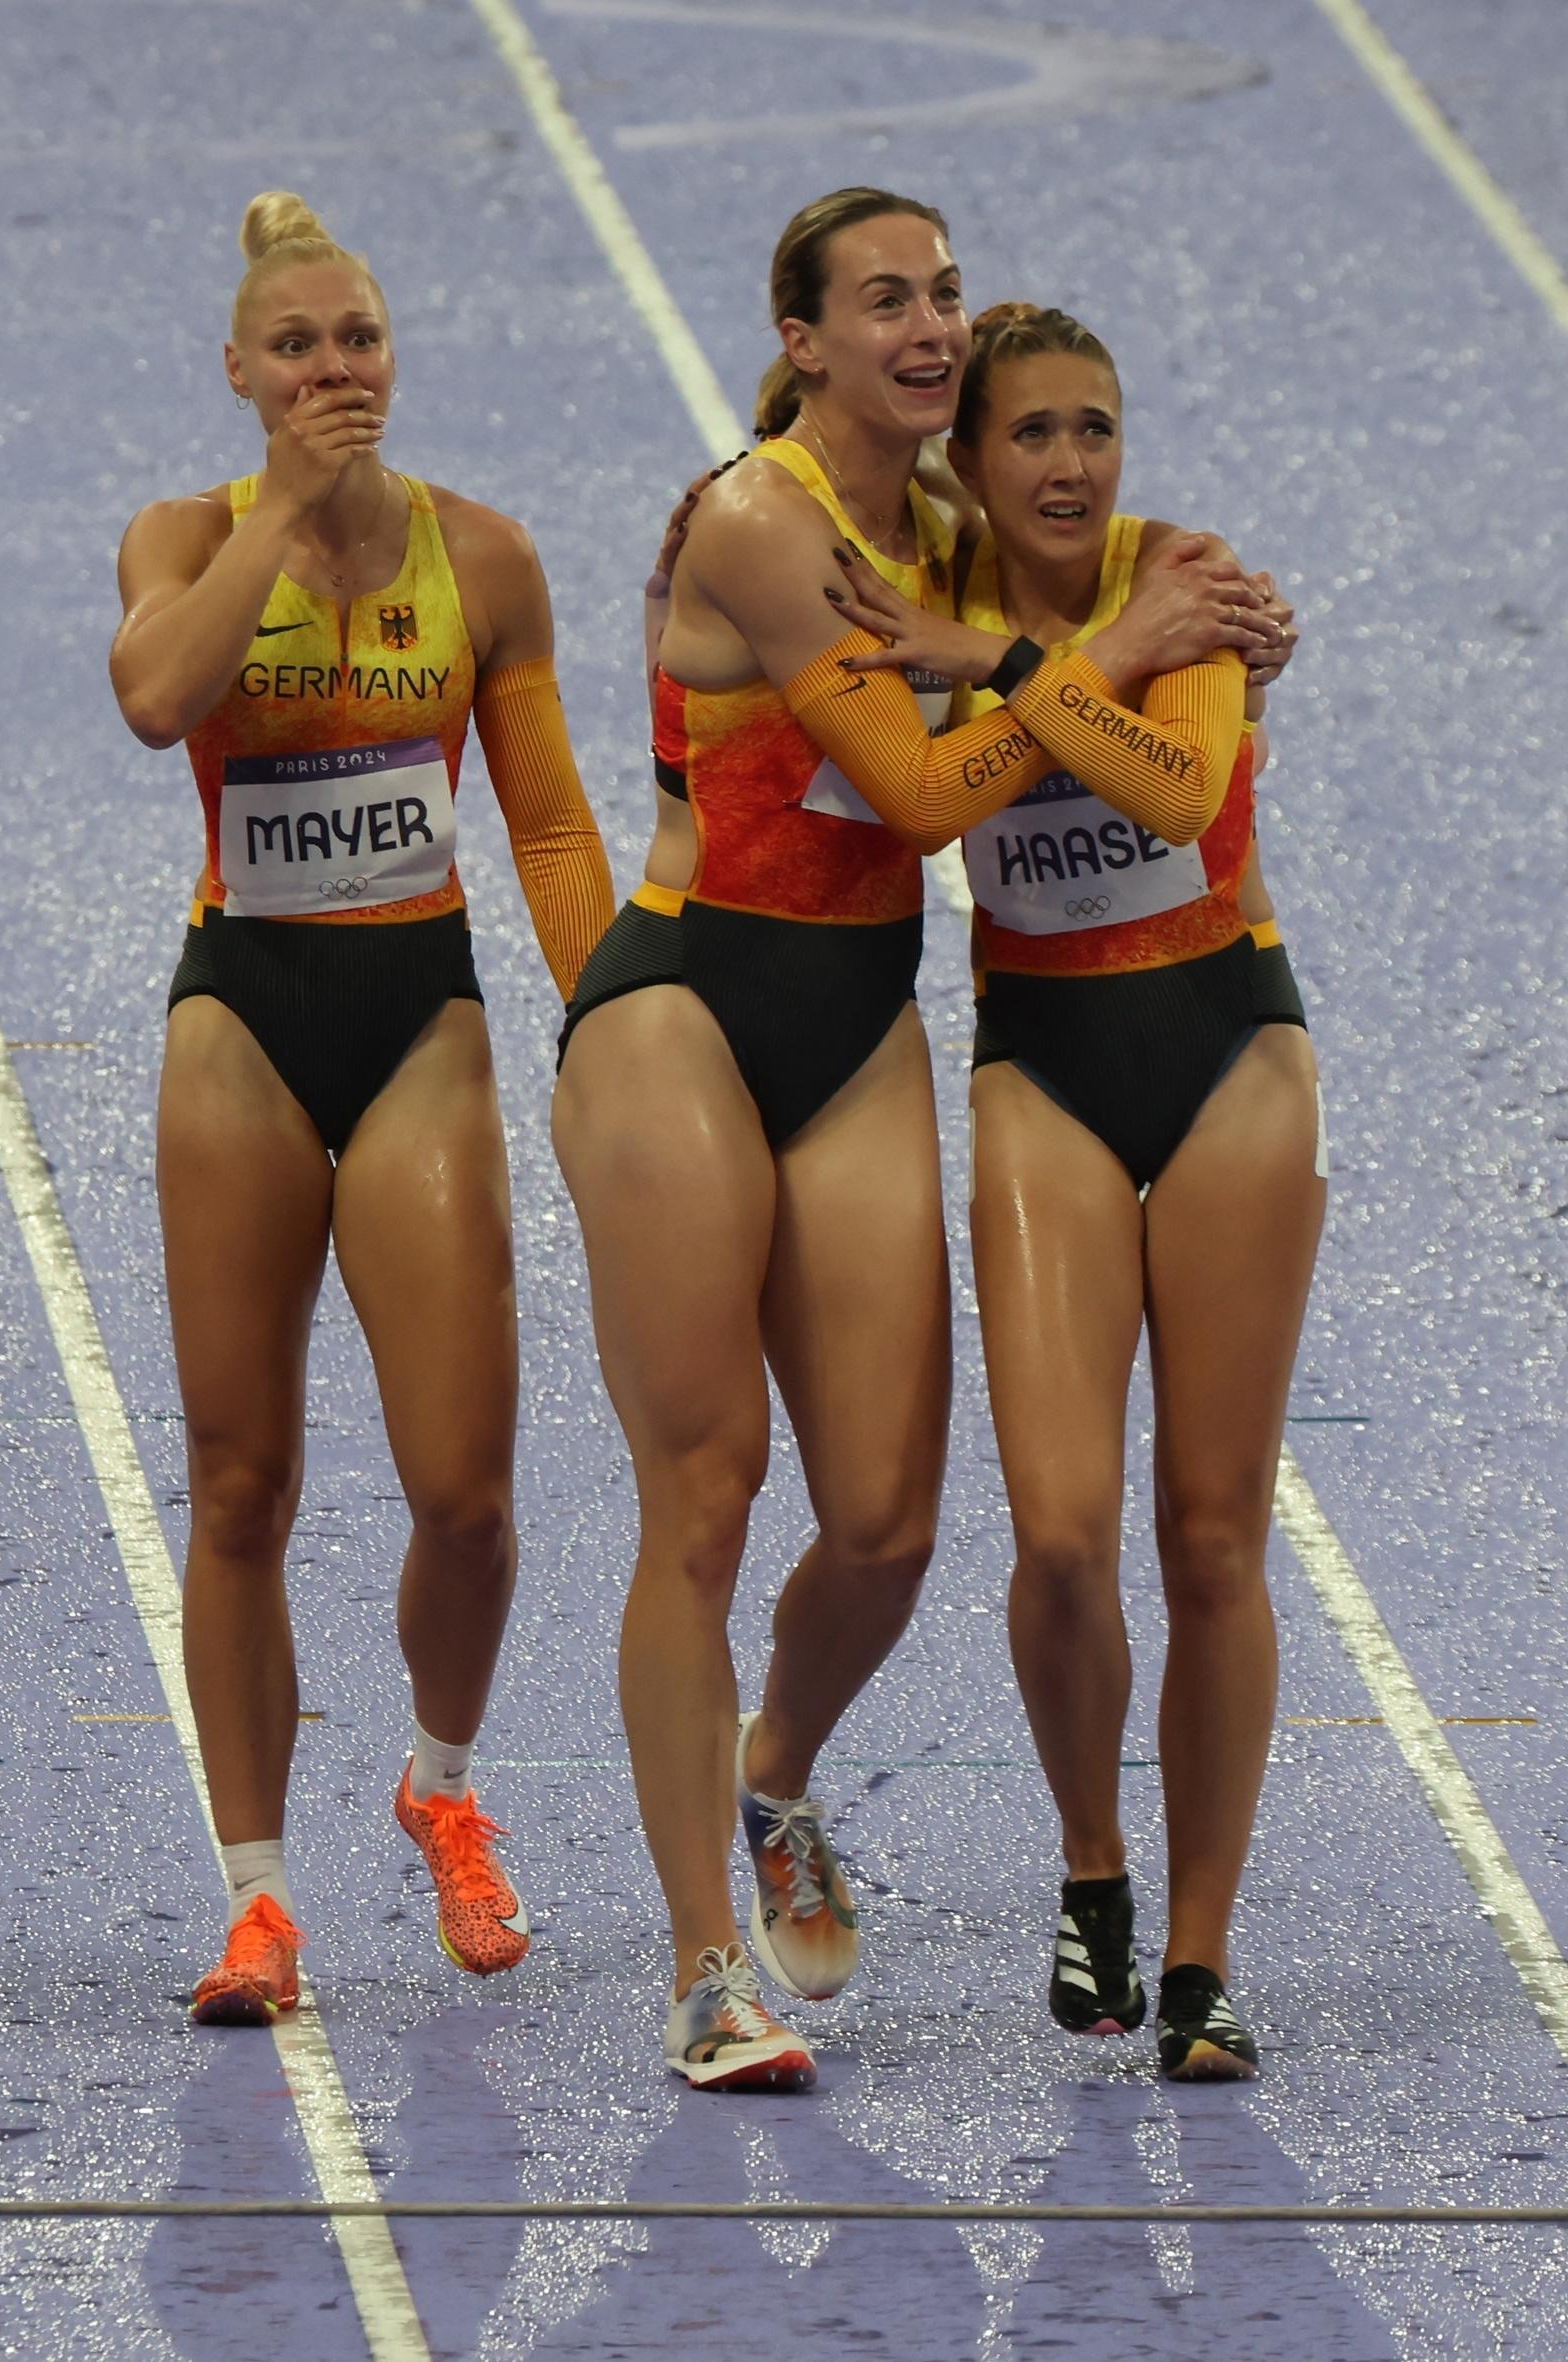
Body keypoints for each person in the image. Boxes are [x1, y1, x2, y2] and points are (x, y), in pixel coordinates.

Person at [553, 188, 1273, 2090]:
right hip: (686, 1001)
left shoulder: (945, 521)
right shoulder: (764, 521)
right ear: (802, 339)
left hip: (859, 1015)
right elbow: (939, 791)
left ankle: (770, 1770)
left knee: (883, 1521)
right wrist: (1119, 646)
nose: (933, 322)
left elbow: (1075, 594)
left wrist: (1208, 607)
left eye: (946, 293)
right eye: (889, 298)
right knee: (705, 1488)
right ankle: (708, 1966)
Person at [107, 194, 617, 2025]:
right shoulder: (182, 534)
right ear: (239, 375)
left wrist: (620, 1024)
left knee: (466, 1490)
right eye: (299, 348)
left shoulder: (481, 561)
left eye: (361, 342)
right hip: (243, 1012)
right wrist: (281, 516)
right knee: (241, 1479)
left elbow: (550, 829)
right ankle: (256, 1899)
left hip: (418, 1015)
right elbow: (161, 699)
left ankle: (441, 1783)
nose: (336, 370)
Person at [933, 300, 1322, 2079]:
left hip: (1224, 1041)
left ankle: (1198, 1956)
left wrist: (1014, 668)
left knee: (1213, 1530)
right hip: (1045, 1055)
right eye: (1032, 433)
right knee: (1064, 1526)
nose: (1073, 462)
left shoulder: (1194, 576)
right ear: (969, 458)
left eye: (1097, 426)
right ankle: (1091, 1857)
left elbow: (1177, 795)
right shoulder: (916, 582)